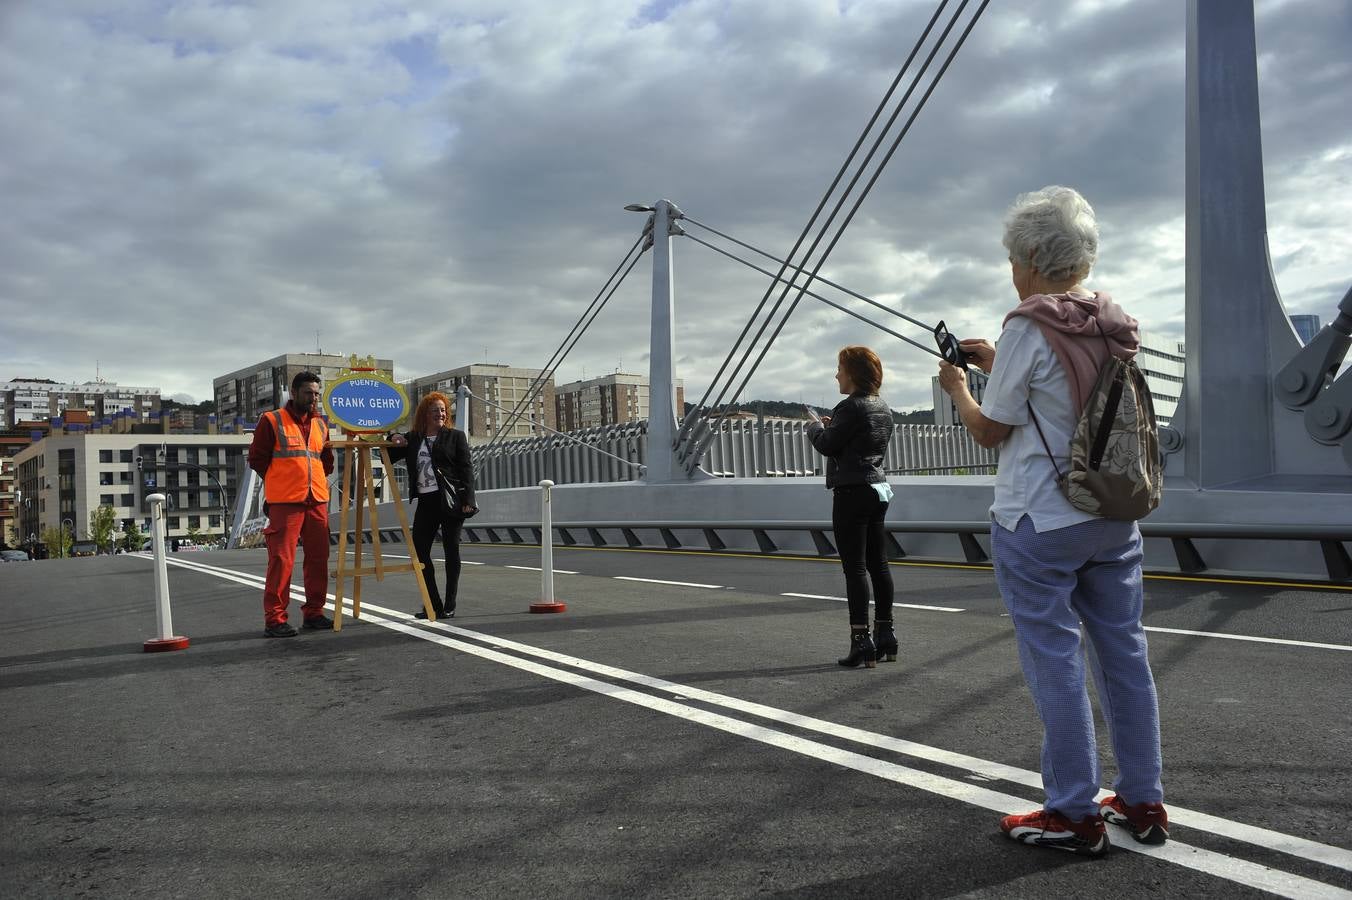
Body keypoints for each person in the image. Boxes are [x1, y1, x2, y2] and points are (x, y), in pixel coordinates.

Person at [938, 186, 1167, 857]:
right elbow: (1073, 396)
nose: (1013, 270)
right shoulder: (1115, 323)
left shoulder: (1027, 328)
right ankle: (1142, 798)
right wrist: (997, 364)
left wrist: (959, 389)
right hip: (1114, 514)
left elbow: (991, 431)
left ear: (1034, 257)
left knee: (1055, 660)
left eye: (1015, 258)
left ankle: (1072, 812)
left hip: (1040, 520)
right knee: (1124, 653)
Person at [806, 346, 897, 668]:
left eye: (840, 369)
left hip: (852, 492)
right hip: (877, 488)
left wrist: (815, 428)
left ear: (853, 372)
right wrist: (835, 427)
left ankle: (861, 640)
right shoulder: (882, 407)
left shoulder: (850, 406)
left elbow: (827, 445)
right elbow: (857, 439)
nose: (836, 375)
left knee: (854, 567)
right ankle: (886, 634)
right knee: (879, 565)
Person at [248, 371, 335, 638]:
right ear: (294, 393)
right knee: (281, 560)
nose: (313, 399)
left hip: (317, 500)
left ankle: (314, 613)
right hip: (286, 502)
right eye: (309, 393)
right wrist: (279, 483)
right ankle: (275, 619)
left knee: (319, 559)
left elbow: (326, 461)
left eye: (317, 394)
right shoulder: (272, 420)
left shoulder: (321, 424)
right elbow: (257, 459)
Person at [388, 392, 477, 620]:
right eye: (435, 410)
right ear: (425, 414)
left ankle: (449, 604)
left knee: (451, 552)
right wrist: (394, 436)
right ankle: (432, 603)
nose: (441, 413)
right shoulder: (414, 438)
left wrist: (469, 500)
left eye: (443, 409)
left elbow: (466, 469)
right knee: (420, 553)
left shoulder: (455, 437)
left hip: (449, 501)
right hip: (426, 502)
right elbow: (388, 452)